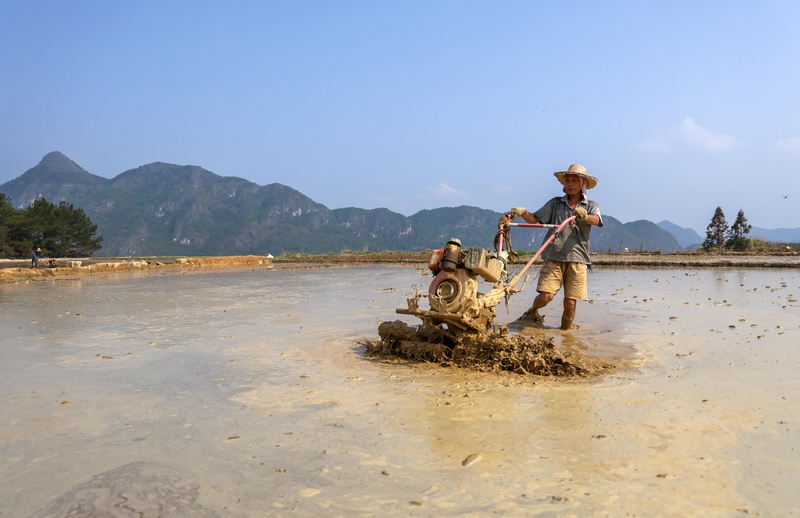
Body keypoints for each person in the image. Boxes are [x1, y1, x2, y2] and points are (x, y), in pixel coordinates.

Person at [507, 163, 602, 330]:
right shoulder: (555, 203)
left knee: (570, 303)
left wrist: (584, 216)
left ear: (582, 184)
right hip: (554, 257)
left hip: (578, 260)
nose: (570, 184)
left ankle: (566, 334)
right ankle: (532, 312)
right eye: (568, 180)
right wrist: (522, 212)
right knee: (546, 296)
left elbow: (597, 220)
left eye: (574, 180)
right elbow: (534, 219)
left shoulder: (590, 205)